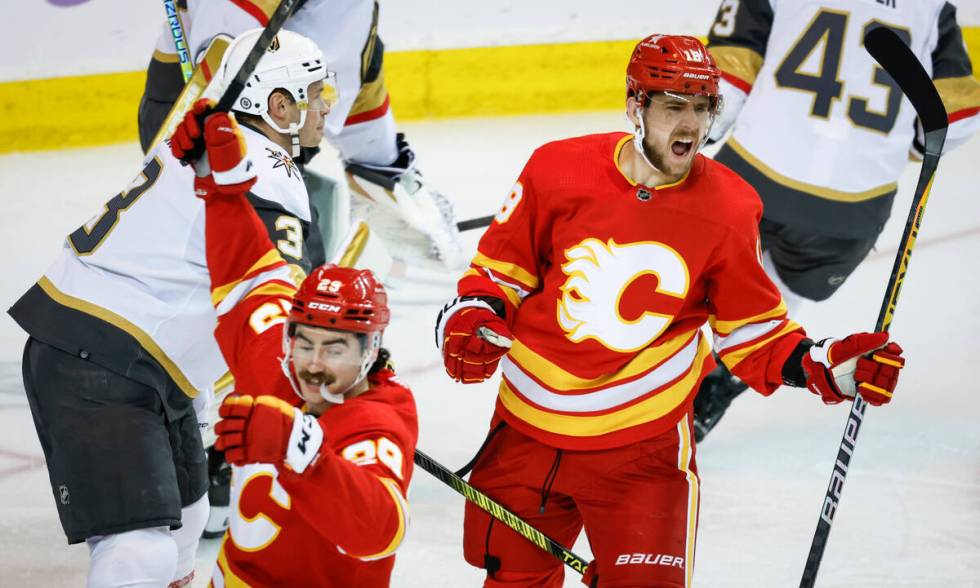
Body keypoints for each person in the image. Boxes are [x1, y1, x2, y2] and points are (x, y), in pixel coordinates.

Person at [433, 34, 907, 587]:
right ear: (636, 105)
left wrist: (822, 365)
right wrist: (469, 318)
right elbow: (496, 276)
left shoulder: (730, 207)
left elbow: (753, 334)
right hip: (525, 434)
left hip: (642, 454)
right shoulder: (555, 169)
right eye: (674, 106)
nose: (691, 125)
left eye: (703, 107)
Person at [6, 28, 333, 587]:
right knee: (140, 551)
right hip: (101, 358)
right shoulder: (266, 171)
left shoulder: (201, 134)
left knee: (187, 526)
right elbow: (288, 303)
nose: (325, 111)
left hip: (135, 357)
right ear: (279, 106)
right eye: (316, 97)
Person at [692, 0, 980, 441]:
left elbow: (728, 76)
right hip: (854, 207)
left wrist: (687, 140)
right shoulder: (932, 6)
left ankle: (632, 397)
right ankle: (707, 400)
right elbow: (956, 119)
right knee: (769, 318)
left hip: (752, 175)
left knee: (683, 285)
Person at [169, 106, 416, 586]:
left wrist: (302, 453)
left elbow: (379, 530)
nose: (314, 365)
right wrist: (219, 186)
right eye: (305, 343)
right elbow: (247, 269)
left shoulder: (379, 420)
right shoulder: (276, 359)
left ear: (371, 351)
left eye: (335, 349)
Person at [139, 0, 465, 271]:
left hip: (273, 124)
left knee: (298, 266)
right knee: (283, 273)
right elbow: (221, 78)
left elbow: (354, 75)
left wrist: (387, 173)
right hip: (203, 126)